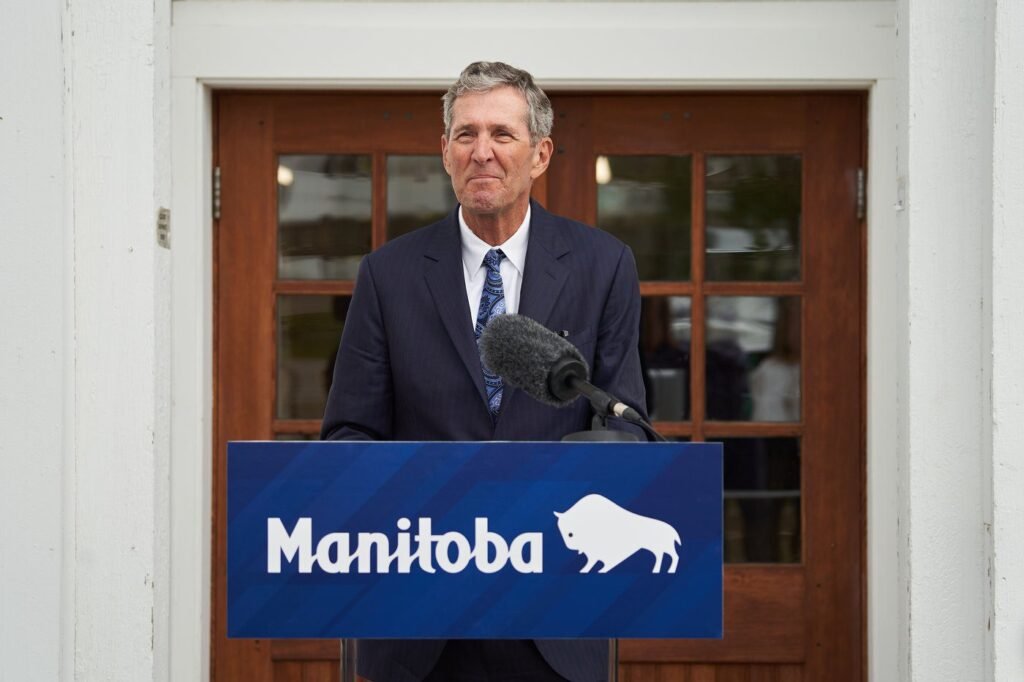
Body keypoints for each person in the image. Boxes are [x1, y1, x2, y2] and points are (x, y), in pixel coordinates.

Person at [321, 61, 648, 682]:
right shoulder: (387, 275)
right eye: (465, 135)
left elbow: (625, 422)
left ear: (541, 153)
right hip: (420, 619)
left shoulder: (603, 266)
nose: (483, 153)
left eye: (502, 134)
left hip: (555, 616)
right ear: (444, 153)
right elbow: (348, 435)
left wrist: (557, 485)